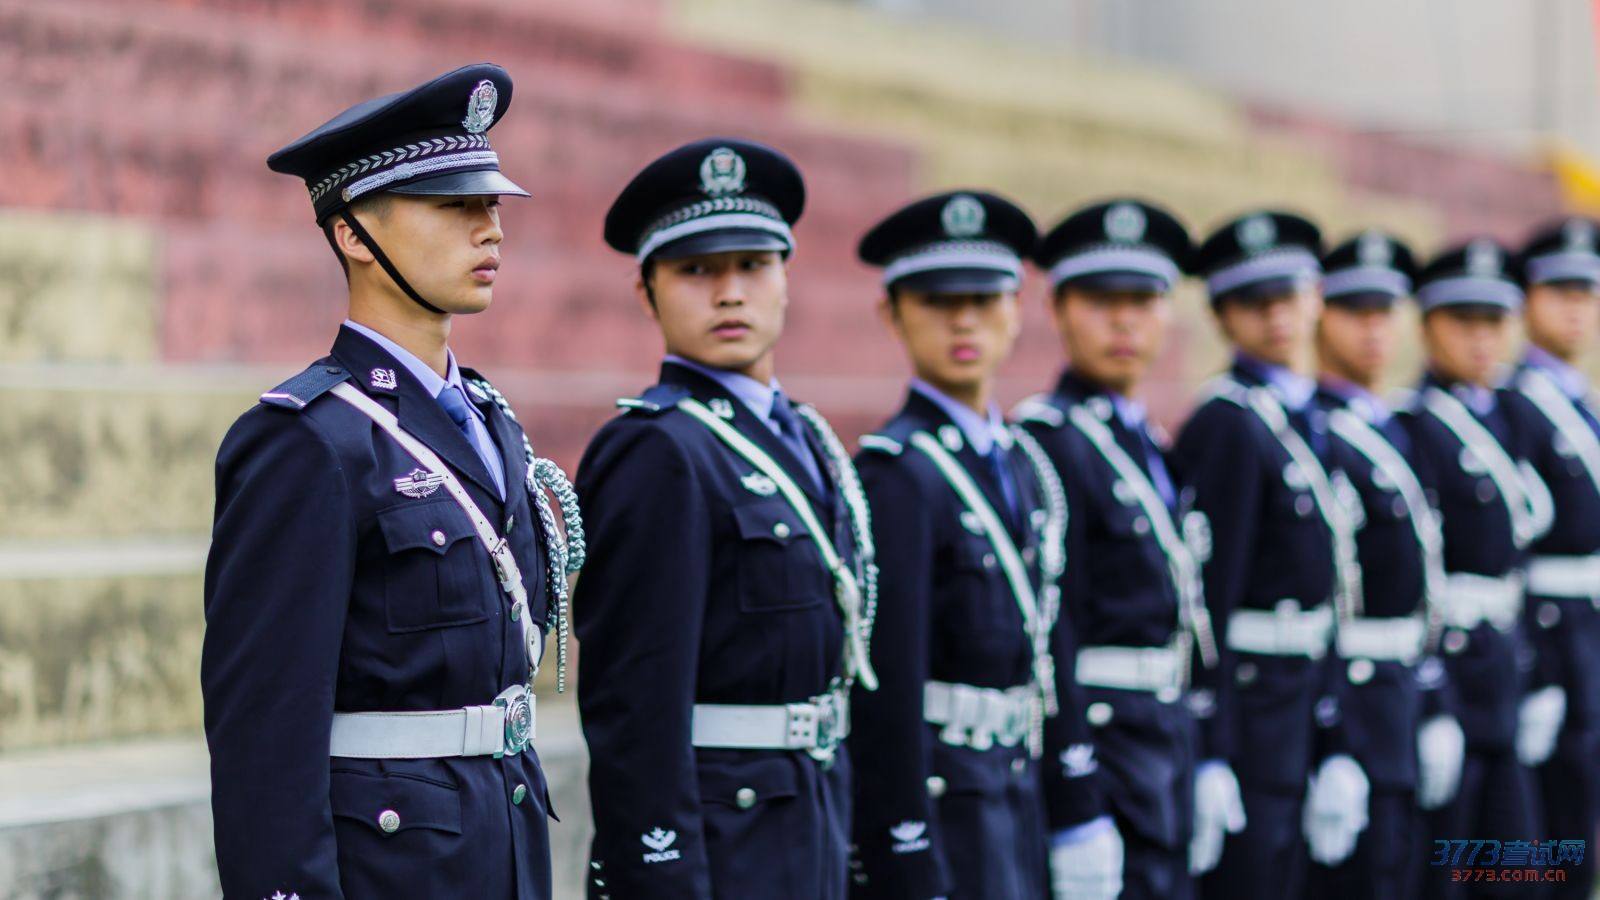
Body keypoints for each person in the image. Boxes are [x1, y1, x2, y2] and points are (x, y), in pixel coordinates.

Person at [203, 63, 579, 899]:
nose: (492, 230)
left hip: (503, 843)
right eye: (454, 206)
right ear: (353, 234)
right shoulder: (307, 443)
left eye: (492, 205)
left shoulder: (488, 420)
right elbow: (265, 731)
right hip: (391, 867)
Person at [574, 138, 876, 899]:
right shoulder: (656, 450)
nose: (730, 293)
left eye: (752, 265)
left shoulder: (805, 436)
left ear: (786, 278)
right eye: (696, 270)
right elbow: (633, 703)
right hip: (721, 844)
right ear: (646, 293)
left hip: (811, 823)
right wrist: (661, 873)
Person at [848, 191, 1059, 900]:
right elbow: (888, 683)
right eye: (937, 300)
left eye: (984, 296)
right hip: (947, 797)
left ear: (1018, 307)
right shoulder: (896, 472)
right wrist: (904, 840)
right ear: (893, 314)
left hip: (1016, 785)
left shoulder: (1023, 461)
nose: (964, 318)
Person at [1015, 199, 1214, 900]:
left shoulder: (1148, 439)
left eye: (1143, 300)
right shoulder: (1048, 442)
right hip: (1101, 745)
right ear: (1060, 308)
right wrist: (1074, 799)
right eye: (1102, 301)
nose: (1125, 321)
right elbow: (1053, 629)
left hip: (1165, 738)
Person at [1173, 211, 1370, 900]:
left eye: (1289, 296)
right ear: (1225, 317)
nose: (1277, 316)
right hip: (1253, 717)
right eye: (1254, 303)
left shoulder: (1306, 415)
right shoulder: (1227, 422)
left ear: (1317, 297)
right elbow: (1209, 602)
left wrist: (1336, 733)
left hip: (1303, 702)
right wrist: (1214, 749)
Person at [1304, 231, 1465, 899]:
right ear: (1320, 314)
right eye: (1353, 310)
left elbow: (1421, 587)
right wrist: (1331, 738)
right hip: (1353, 702)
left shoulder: (1395, 427)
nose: (1374, 330)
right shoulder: (1315, 431)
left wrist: (1435, 698)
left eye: (1385, 311)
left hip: (1402, 691)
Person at [1397, 238, 1555, 900]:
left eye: (1495, 322)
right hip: (1453, 670)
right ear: (1429, 324)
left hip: (1503, 663)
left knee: (1515, 865)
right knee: (1450, 868)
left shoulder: (1511, 418)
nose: (1482, 338)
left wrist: (1539, 668)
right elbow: (1417, 575)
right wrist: (1432, 697)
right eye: (1464, 320)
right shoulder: (1414, 426)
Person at [1504, 218, 1600, 899]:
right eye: (1558, 289)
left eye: (1587, 291)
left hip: (1589, 626)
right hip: (1545, 633)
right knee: (1546, 816)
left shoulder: (1580, 404)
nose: (1575, 306)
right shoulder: (1514, 403)